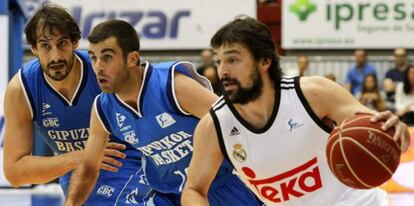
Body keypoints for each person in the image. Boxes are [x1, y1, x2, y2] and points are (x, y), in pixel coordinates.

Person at [181, 17, 411, 206]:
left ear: (264, 60)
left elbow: (379, 130)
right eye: (219, 61)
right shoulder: (214, 125)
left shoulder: (313, 93)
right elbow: (193, 189)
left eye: (232, 59)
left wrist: (395, 130)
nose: (223, 70)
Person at [64, 20, 259, 206]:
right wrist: (71, 203)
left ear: (132, 58)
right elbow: (89, 167)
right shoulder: (102, 109)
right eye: (93, 57)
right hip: (167, 194)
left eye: (107, 57)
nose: (98, 66)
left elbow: (236, 122)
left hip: (219, 185)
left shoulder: (173, 86)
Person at [3, 4, 150, 205]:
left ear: (75, 42)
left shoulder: (103, 72)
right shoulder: (22, 88)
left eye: (62, 43)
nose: (55, 56)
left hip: (126, 158)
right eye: (46, 45)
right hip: (75, 168)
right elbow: (15, 173)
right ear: (34, 48)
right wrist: (79, 157)